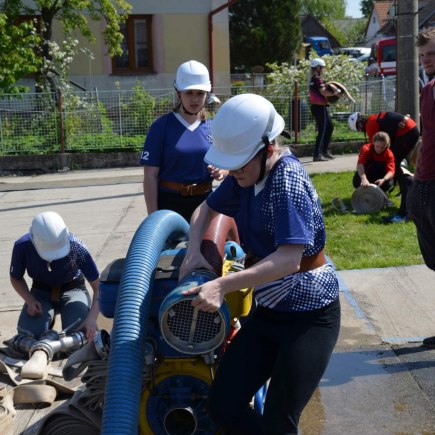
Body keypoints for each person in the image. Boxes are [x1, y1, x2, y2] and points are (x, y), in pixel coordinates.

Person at [179, 93, 341, 434]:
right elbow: (205, 209)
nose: (234, 170)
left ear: (267, 148)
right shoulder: (245, 177)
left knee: (279, 421)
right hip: (270, 309)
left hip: (310, 316)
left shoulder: (287, 180)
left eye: (240, 162)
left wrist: (221, 285)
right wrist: (195, 251)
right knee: (223, 404)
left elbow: (288, 260)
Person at [139, 59, 226, 222]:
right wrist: (153, 218)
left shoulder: (214, 127)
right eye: (189, 92)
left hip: (205, 205)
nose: (195, 99)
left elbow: (228, 164)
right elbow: (150, 177)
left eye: (200, 93)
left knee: (208, 248)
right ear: (179, 93)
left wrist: (221, 172)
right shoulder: (160, 127)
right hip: (169, 207)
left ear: (207, 94)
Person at [9, 211, 100, 342]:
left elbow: (99, 287)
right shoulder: (22, 246)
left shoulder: (77, 246)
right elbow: (15, 278)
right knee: (27, 336)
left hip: (73, 289)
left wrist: (91, 318)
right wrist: (30, 300)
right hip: (40, 291)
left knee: (79, 335)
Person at [407, 27, 435, 348]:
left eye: (432, 54)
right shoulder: (427, 89)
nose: (427, 60)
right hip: (423, 183)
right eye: (423, 55)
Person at [348, 110, 420, 221]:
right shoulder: (373, 118)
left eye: (359, 129)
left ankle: (404, 206)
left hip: (408, 132)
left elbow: (377, 148)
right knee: (395, 163)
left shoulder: (370, 125)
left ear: (359, 124)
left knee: (395, 164)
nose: (362, 131)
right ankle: (402, 188)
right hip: (409, 130)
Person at [309, 58, 341, 162]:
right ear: (317, 68)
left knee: (329, 128)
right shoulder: (317, 79)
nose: (323, 69)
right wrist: (335, 93)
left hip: (319, 107)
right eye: (322, 67)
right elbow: (323, 92)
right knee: (322, 130)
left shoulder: (313, 79)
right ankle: (317, 154)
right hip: (319, 108)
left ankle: (324, 151)